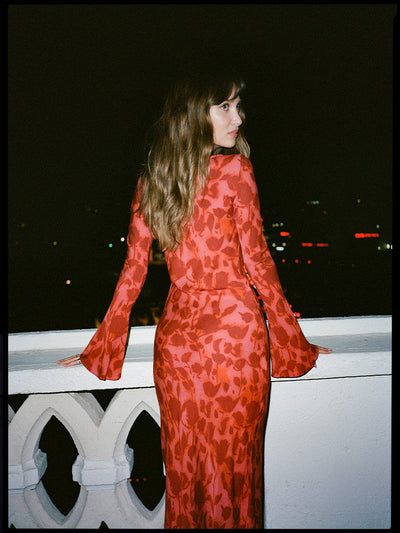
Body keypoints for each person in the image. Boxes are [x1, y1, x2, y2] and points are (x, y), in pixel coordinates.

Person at [58, 69, 331, 529]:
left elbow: (133, 272)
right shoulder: (236, 172)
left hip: (178, 349)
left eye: (237, 106)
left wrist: (102, 349)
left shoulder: (152, 182)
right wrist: (292, 344)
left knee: (185, 478)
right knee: (236, 477)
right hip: (235, 342)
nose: (238, 117)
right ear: (192, 115)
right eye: (224, 106)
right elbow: (259, 263)